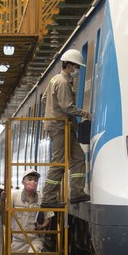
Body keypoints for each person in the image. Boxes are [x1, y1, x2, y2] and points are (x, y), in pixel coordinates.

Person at [41, 48, 92, 206]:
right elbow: (67, 107)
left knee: (78, 157)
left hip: (65, 127)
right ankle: (48, 199)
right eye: (76, 67)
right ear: (69, 66)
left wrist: (52, 109)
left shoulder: (54, 80)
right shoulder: (62, 82)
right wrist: (85, 114)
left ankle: (76, 192)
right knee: (59, 163)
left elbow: (44, 99)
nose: (77, 70)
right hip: (60, 127)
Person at [8, 169, 46, 255]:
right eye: (30, 179)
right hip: (18, 240)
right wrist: (3, 201)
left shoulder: (42, 198)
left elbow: (48, 217)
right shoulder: (14, 196)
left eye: (35, 180)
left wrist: (44, 225)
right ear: (23, 181)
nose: (33, 182)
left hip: (35, 238)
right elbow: (3, 214)